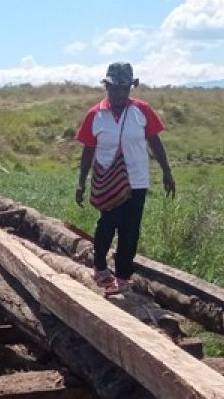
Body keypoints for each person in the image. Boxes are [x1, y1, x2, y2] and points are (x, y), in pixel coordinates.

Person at [74, 62, 175, 295]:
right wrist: (81, 181)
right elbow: (88, 150)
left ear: (130, 88)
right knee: (108, 223)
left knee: (130, 229)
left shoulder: (142, 110)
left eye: (124, 88)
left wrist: (167, 171)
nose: (120, 93)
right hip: (108, 181)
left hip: (137, 180)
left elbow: (155, 142)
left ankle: (123, 276)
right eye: (115, 88)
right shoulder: (95, 115)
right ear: (107, 87)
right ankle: (99, 267)